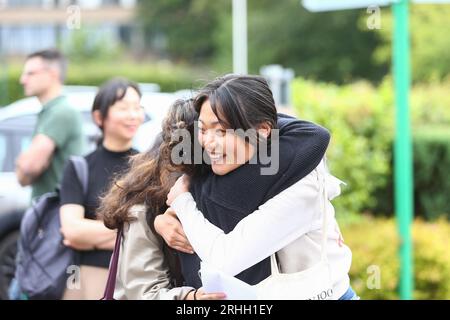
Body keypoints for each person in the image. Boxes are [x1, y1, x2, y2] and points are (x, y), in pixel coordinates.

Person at [155, 74, 357, 300]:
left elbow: (225, 259)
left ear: (262, 130)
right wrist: (164, 219)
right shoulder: (230, 167)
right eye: (203, 130)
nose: (209, 143)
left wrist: (183, 202)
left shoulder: (300, 181)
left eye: (221, 131)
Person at [97, 99, 225, 300]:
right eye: (206, 132)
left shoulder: (207, 190)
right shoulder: (145, 205)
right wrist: (190, 298)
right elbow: (143, 293)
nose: (215, 142)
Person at [59, 78, 144, 300]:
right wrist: (129, 229)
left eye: (137, 107)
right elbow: (72, 231)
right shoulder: (79, 166)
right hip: (88, 276)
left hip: (137, 276)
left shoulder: (147, 166)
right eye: (124, 108)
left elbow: (153, 230)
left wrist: (92, 234)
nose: (133, 115)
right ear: (99, 116)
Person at [15, 49, 83, 199]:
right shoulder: (51, 111)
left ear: (52, 74)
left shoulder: (60, 112)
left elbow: (28, 166)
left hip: (55, 214)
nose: (22, 80)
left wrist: (25, 163)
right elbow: (24, 175)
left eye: (30, 73)